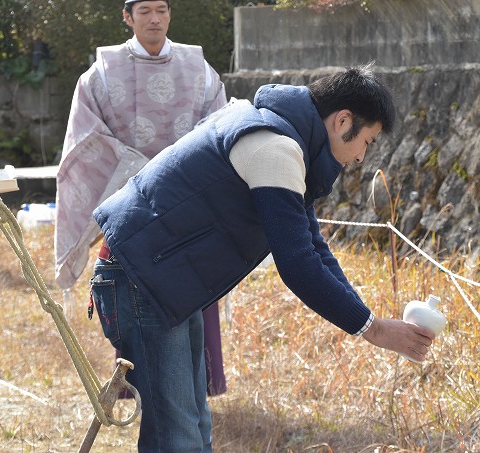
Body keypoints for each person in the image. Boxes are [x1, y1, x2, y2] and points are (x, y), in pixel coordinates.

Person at [90, 65, 435, 452]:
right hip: (141, 275)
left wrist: (368, 318)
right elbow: (298, 264)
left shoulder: (281, 133)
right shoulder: (276, 148)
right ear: (342, 121)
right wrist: (374, 330)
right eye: (367, 143)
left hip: (162, 275)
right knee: (177, 435)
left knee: (193, 424)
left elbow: (312, 247)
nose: (360, 158)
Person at [54, 0, 228, 396]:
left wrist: (178, 171)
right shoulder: (101, 72)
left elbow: (218, 127)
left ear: (170, 15)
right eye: (145, 11)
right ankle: (137, 385)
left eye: (162, 10)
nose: (155, 19)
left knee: (195, 289)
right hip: (129, 204)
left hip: (188, 203)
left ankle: (195, 389)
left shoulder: (198, 69)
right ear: (127, 17)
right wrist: (142, 175)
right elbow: (86, 141)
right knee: (133, 295)